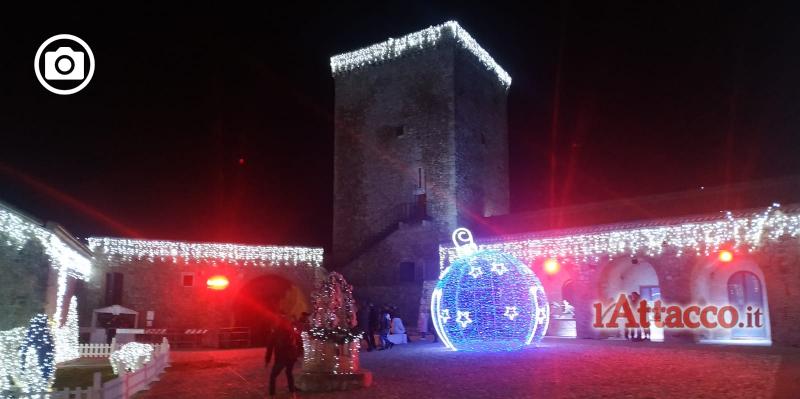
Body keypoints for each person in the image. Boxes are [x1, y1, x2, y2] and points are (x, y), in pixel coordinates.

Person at [266, 316, 303, 397]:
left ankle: (272, 393)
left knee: (273, 376)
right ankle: (292, 389)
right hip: (291, 357)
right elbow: (298, 341)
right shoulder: (291, 331)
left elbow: (270, 347)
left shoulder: (275, 333)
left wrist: (267, 359)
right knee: (289, 372)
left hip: (281, 357)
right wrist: (297, 354)